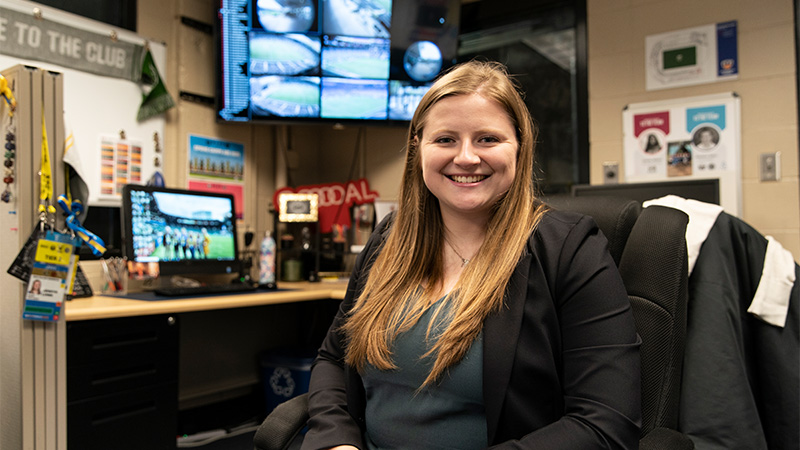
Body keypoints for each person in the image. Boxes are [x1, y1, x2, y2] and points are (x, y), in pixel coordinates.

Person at [301, 60, 641, 450]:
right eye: (445, 139)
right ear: (418, 148)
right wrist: (336, 441)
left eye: (488, 139)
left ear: (519, 146)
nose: (465, 157)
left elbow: (606, 424)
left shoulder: (570, 250)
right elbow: (332, 358)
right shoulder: (388, 242)